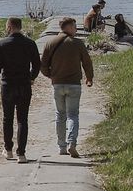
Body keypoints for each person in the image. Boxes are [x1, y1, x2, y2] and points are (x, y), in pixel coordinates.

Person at [40, 16, 94, 158]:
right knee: (73, 115)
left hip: (57, 85)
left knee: (60, 115)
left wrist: (50, 75)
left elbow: (43, 64)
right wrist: (89, 78)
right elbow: (87, 62)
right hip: (74, 85)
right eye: (75, 27)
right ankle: (72, 144)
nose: (76, 30)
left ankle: (62, 147)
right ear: (68, 27)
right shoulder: (77, 43)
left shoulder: (50, 43)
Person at [0, 17, 40, 163]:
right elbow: (37, 64)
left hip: (8, 85)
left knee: (8, 118)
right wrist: (32, 77)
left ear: (10, 27)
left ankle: (9, 150)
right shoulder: (30, 43)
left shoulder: (2, 44)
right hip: (24, 84)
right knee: (22, 119)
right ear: (20, 27)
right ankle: (21, 153)